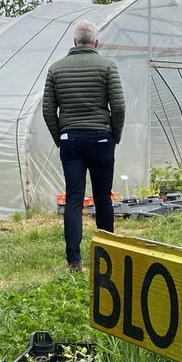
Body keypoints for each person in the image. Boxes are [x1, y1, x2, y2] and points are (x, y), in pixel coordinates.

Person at [42, 20, 125, 272]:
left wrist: (61, 136)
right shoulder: (107, 66)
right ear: (96, 43)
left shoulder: (56, 69)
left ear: (75, 42)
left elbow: (48, 110)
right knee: (103, 197)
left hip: (71, 140)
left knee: (74, 198)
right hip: (101, 138)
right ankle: (106, 254)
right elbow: (118, 106)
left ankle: (74, 260)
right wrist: (114, 134)